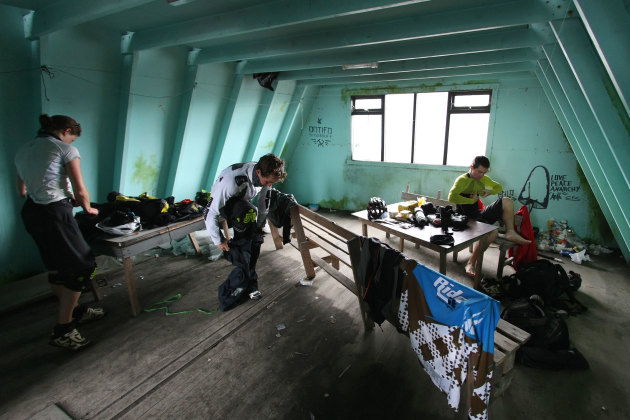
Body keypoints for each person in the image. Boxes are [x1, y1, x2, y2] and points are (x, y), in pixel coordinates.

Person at [15, 114, 105, 351]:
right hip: (54, 214)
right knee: (83, 267)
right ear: (66, 131)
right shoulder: (64, 150)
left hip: (32, 213)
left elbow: (21, 189)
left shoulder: (24, 149)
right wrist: (87, 207)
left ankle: (74, 310)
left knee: (56, 266)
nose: (71, 145)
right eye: (71, 139)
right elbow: (80, 188)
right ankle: (63, 329)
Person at [203, 154, 287, 309]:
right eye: (267, 181)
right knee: (247, 217)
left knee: (255, 239)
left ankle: (250, 284)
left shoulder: (266, 174)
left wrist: (260, 225)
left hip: (243, 205)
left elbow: (264, 201)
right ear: (259, 172)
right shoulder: (231, 182)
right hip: (226, 206)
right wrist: (218, 240)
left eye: (272, 183)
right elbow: (209, 212)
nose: (269, 184)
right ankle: (236, 286)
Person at [448, 155, 530, 277]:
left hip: (477, 215)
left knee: (506, 200)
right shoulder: (462, 180)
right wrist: (472, 200)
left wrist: (490, 191)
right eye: (479, 172)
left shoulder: (483, 179)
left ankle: (510, 232)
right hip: (465, 218)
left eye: (484, 173)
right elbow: (451, 197)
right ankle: (471, 263)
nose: (481, 175)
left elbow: (499, 187)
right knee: (492, 232)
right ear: (471, 167)